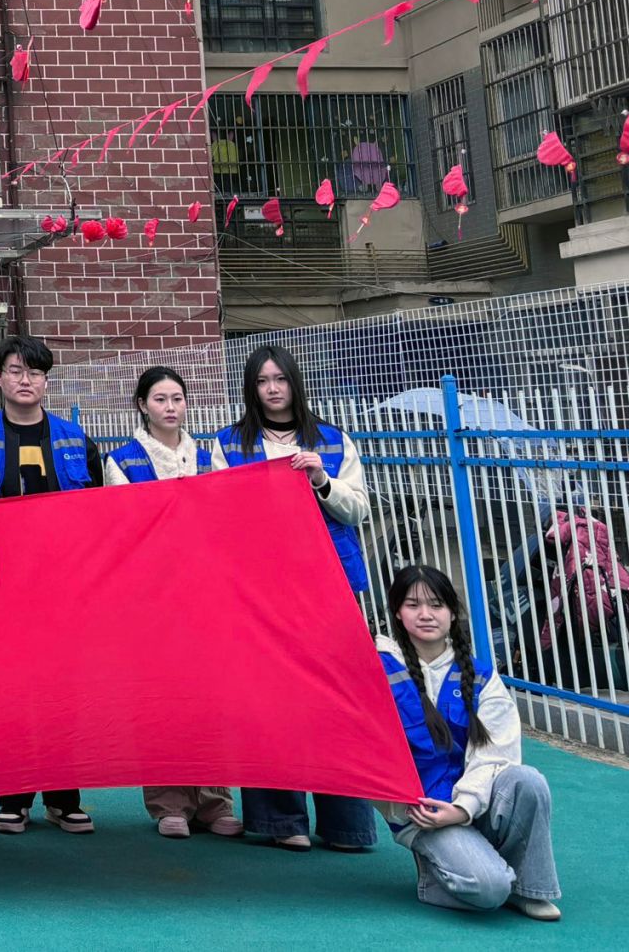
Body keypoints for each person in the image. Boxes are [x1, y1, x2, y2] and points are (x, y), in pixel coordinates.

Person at [215, 344, 379, 852]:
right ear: (251, 388)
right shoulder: (227, 443)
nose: (272, 389)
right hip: (261, 590)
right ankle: (280, 820)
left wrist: (321, 480)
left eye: (280, 379)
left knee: (339, 697)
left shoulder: (333, 440)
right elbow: (218, 515)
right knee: (269, 699)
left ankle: (347, 824)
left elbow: (359, 510)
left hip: (330, 584)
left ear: (294, 382)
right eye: (262, 380)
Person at [0, 335, 96, 836]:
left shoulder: (77, 439)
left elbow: (102, 514)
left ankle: (64, 798)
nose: (25, 380)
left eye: (34, 372)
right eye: (15, 370)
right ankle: (12, 799)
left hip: (62, 589)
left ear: (46, 382)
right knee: (9, 694)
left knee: (63, 693)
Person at [102, 366, 242, 841]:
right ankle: (169, 802)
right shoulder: (122, 461)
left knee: (212, 697)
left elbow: (227, 519)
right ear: (142, 405)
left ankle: (215, 800)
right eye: (160, 399)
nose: (170, 407)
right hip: (151, 597)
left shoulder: (209, 456)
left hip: (207, 593)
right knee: (161, 697)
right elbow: (125, 530)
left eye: (177, 398)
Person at [376, 565, 560, 920]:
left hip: (472, 803)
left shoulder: (480, 676)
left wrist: (463, 808)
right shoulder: (377, 668)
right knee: (489, 890)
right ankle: (436, 877)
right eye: (413, 605)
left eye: (436, 604)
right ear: (397, 612)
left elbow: (497, 754)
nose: (426, 614)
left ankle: (527, 888)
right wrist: (404, 810)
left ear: (452, 612)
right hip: (422, 813)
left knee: (528, 780)